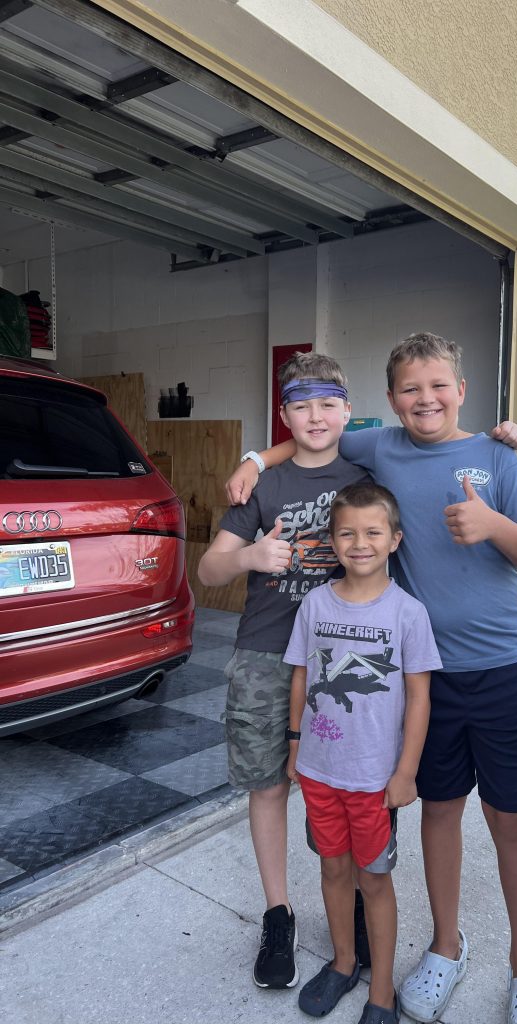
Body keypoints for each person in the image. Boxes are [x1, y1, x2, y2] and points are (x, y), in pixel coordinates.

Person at [225, 331, 517, 1024]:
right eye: (411, 389)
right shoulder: (381, 446)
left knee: (511, 816)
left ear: (462, 390)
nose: (425, 399)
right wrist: (256, 458)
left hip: (499, 668)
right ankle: (445, 946)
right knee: (440, 810)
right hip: (422, 679)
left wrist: (493, 522)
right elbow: (313, 437)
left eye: (438, 386)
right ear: (390, 400)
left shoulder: (498, 458)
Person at [198, 351, 371, 991]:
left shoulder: (367, 472)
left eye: (327, 404)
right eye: (301, 406)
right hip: (266, 653)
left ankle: (355, 900)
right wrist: (249, 556)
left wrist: (501, 440)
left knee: (353, 786)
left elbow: (433, 443)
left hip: (347, 655)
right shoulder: (262, 486)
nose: (315, 416)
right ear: (284, 414)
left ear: (347, 410)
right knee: (268, 785)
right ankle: (279, 913)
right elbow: (207, 570)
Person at [284, 482, 441, 1024]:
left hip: (374, 780)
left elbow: (419, 697)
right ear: (332, 541)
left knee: (373, 880)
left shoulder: (408, 614)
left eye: (373, 532)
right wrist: (295, 744)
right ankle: (344, 963)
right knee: (333, 870)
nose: (360, 543)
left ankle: (381, 992)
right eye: (347, 533)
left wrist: (406, 772)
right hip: (319, 772)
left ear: (394, 539)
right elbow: (302, 677)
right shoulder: (314, 604)